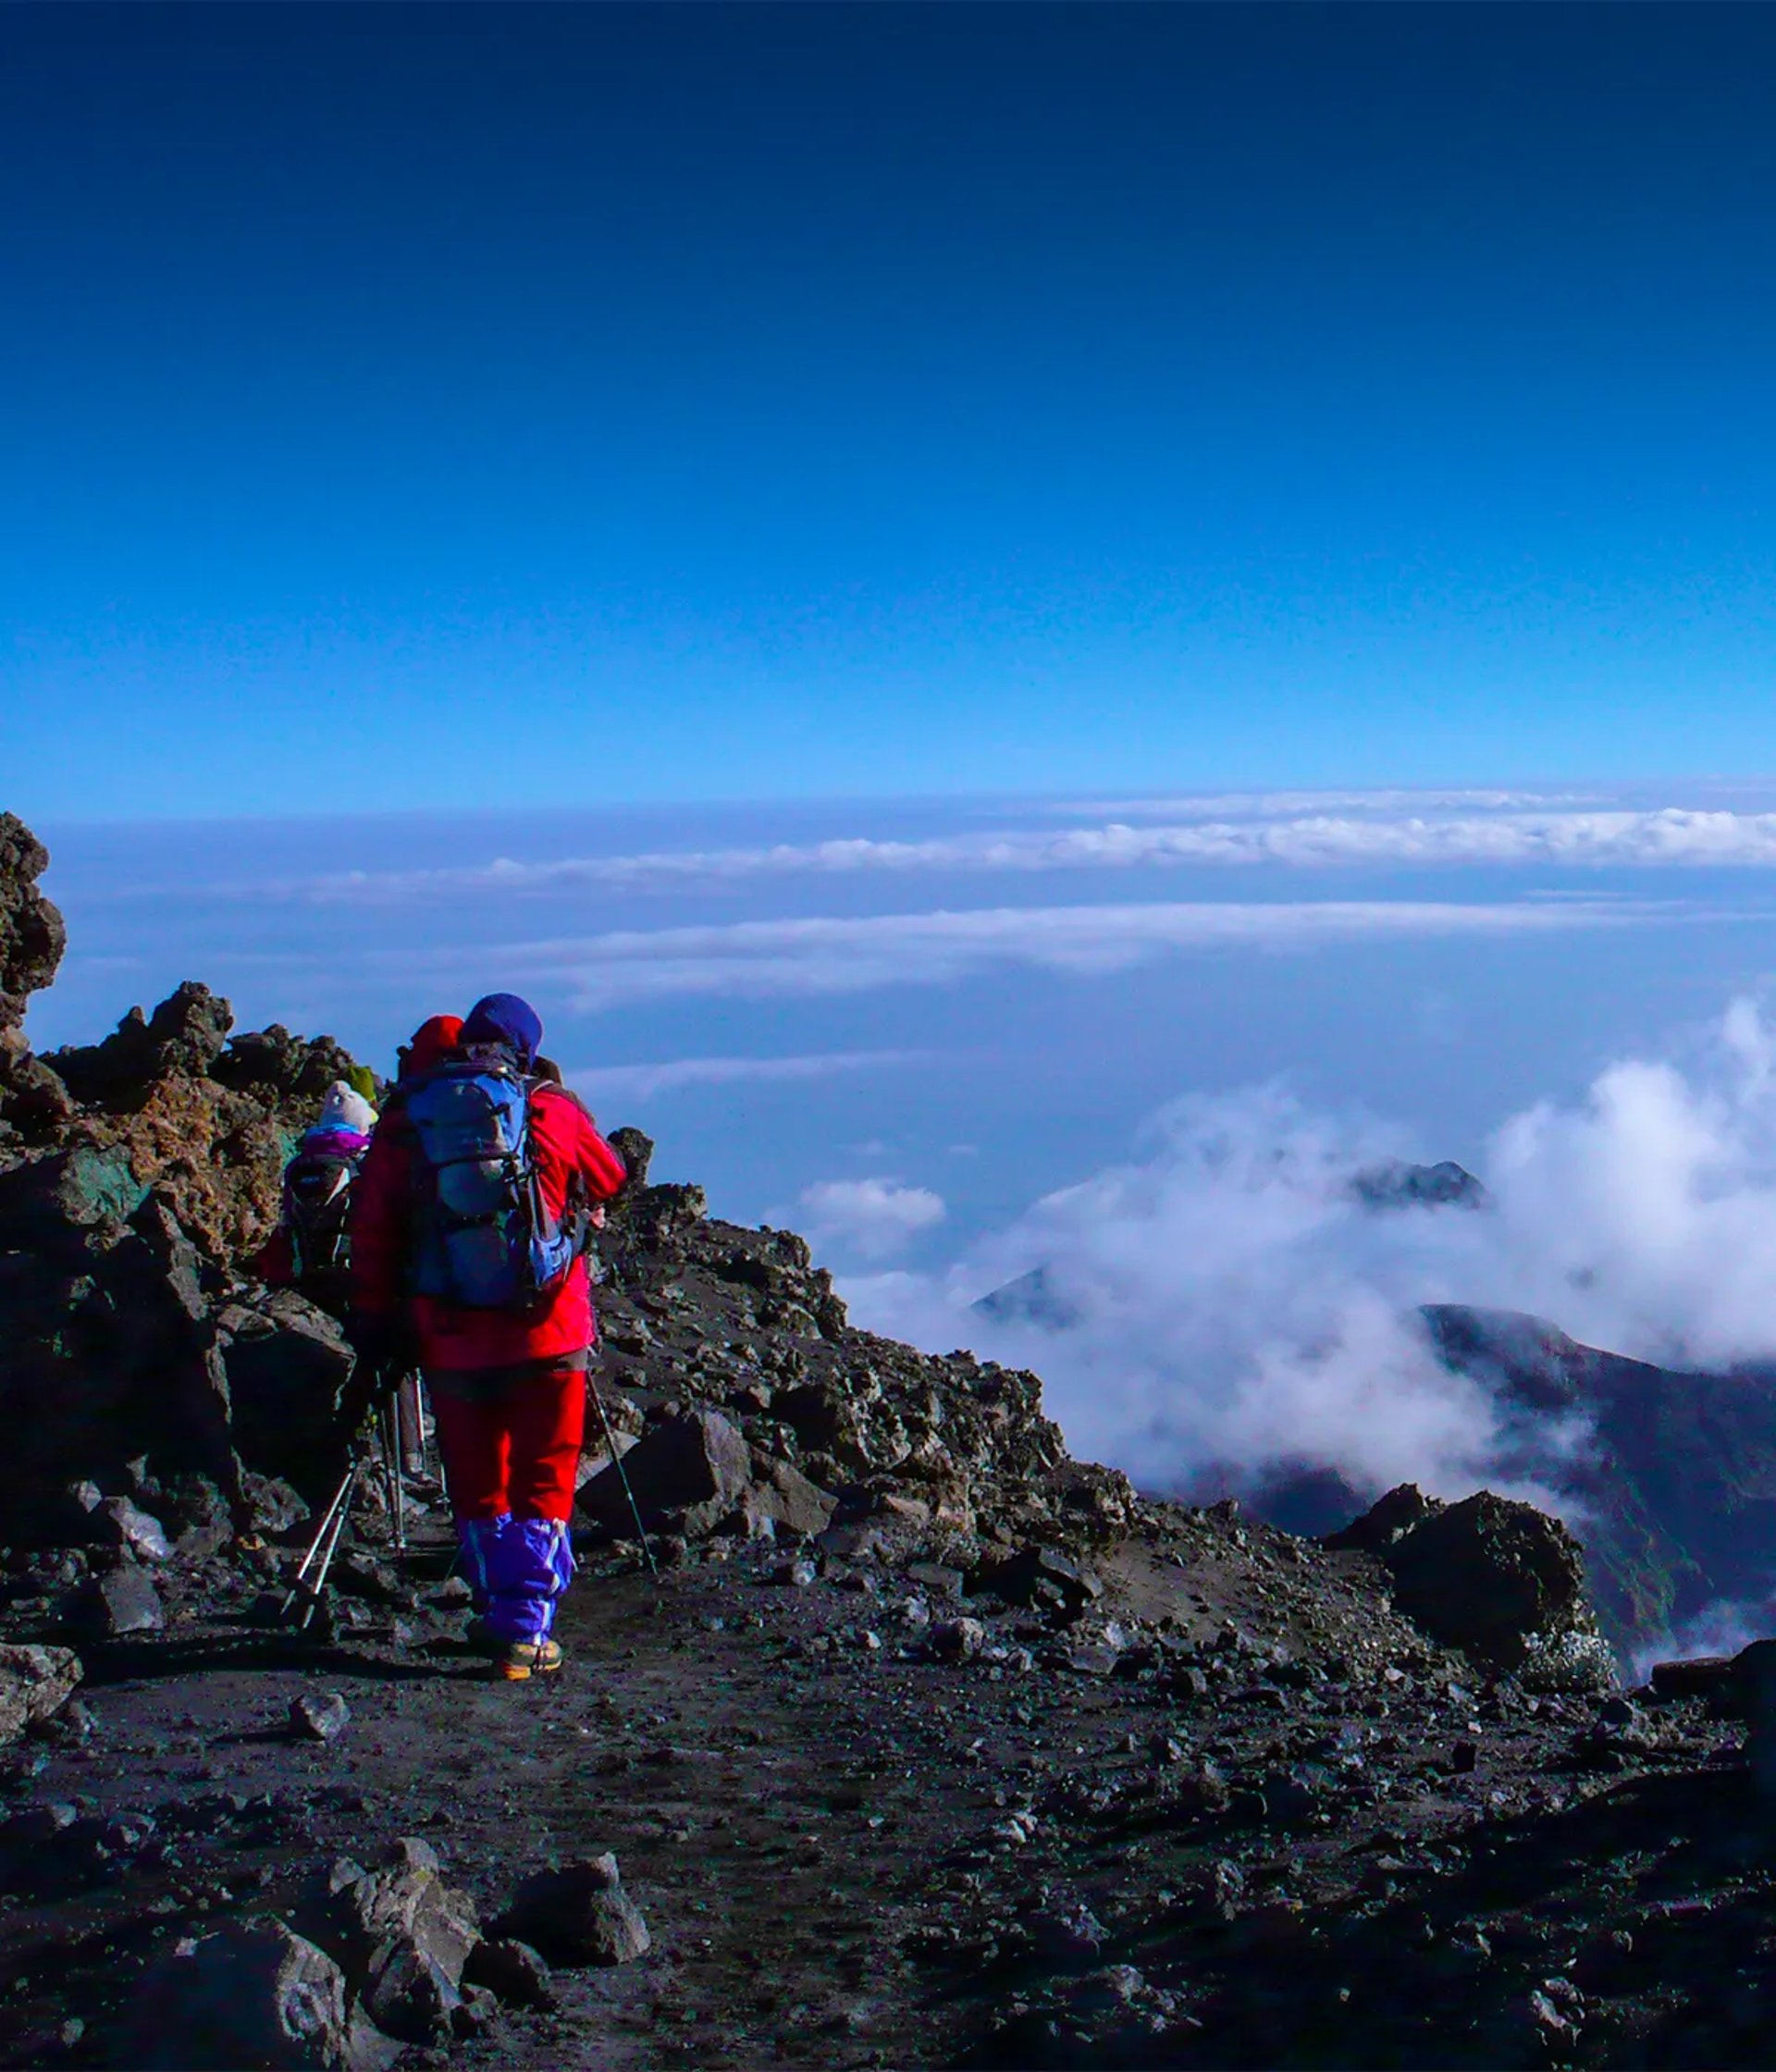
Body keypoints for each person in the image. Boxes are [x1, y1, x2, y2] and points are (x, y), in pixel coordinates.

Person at [348, 993, 627, 1680]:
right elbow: (611, 1176)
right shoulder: (550, 1111)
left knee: (478, 1476)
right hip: (548, 1334)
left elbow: (374, 1230)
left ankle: (493, 1601)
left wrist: (377, 1321)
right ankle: (525, 1628)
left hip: (450, 1336)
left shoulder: (410, 1119)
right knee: (542, 1474)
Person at [254, 1079, 378, 1317]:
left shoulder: (297, 1164)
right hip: (351, 1275)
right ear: (361, 1125)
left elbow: (285, 1219)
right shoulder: (363, 1160)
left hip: (302, 1276)